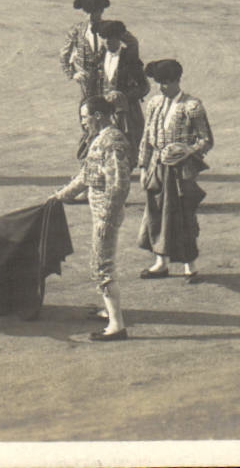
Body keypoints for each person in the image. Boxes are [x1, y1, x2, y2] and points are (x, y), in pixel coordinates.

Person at [51, 95, 135, 341]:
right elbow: (85, 177)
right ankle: (109, 312)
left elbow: (119, 184)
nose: (83, 123)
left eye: (84, 117)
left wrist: (107, 218)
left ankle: (116, 326)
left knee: (102, 267)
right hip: (100, 212)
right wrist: (58, 197)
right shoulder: (102, 139)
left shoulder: (112, 141)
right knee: (101, 264)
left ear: (98, 116)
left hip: (105, 214)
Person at [137, 59, 214, 282]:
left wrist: (186, 150)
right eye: (160, 83)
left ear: (178, 80)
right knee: (155, 214)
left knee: (183, 216)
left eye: (167, 82)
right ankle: (160, 263)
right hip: (157, 168)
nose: (162, 87)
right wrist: (143, 167)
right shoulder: (154, 103)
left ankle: (190, 266)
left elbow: (206, 140)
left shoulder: (192, 106)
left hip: (180, 172)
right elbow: (147, 139)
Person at [95, 19, 148, 157]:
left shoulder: (130, 59)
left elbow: (144, 87)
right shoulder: (100, 58)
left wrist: (123, 97)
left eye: (111, 38)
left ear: (119, 38)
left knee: (128, 147)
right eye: (104, 38)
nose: (107, 42)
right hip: (104, 112)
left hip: (126, 113)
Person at [61, 0, 112, 104]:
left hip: (107, 77)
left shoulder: (110, 28)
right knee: (86, 108)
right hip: (85, 78)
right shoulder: (77, 29)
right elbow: (64, 54)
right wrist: (73, 73)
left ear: (101, 11)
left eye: (94, 12)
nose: (90, 16)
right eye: (87, 12)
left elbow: (131, 43)